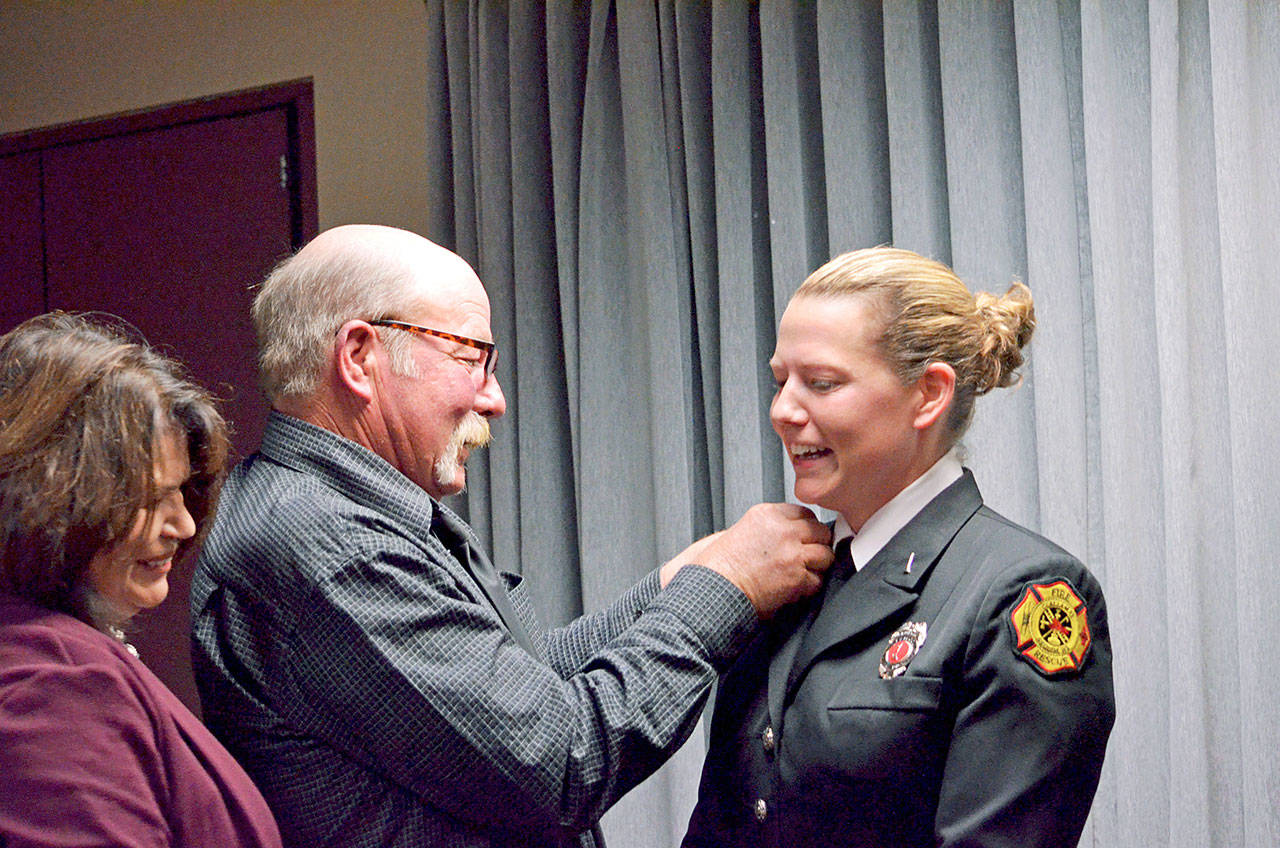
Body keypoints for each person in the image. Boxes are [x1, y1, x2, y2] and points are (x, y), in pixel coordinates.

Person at [190, 224, 834, 848]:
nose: (494, 398)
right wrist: (726, 590)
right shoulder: (327, 542)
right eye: (472, 357)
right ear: (360, 358)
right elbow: (560, 761)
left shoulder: (336, 507)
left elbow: (520, 687)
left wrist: (679, 584)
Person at [682, 247, 1115, 847]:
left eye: (822, 383)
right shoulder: (784, 576)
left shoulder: (1023, 593)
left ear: (929, 394)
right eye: (781, 381)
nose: (782, 411)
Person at [0, 312, 282, 848]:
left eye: (183, 492)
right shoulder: (52, 682)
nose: (184, 525)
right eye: (151, 499)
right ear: (46, 499)